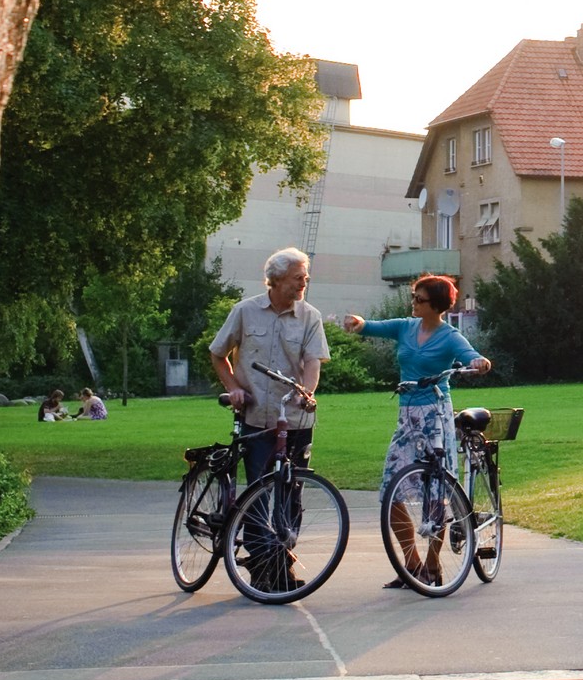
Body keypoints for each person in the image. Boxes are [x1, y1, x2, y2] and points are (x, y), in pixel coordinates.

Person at [345, 277, 490, 590]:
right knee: (390, 490)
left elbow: (469, 354)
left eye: (420, 298)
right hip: (407, 418)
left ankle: (433, 563)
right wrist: (358, 323)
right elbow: (373, 326)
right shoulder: (405, 327)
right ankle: (411, 563)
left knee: (435, 494)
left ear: (436, 305)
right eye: (414, 296)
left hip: (435, 417)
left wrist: (479, 362)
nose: (414, 302)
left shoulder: (450, 336)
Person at [210, 249, 329, 570]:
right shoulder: (245, 311)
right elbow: (218, 353)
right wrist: (233, 387)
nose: (304, 282)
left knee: (292, 491)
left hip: (296, 418)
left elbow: (312, 362)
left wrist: (307, 391)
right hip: (257, 417)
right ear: (276, 280)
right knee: (258, 492)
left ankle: (282, 556)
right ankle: (264, 563)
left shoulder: (310, 317)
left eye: (306, 277)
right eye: (297, 277)